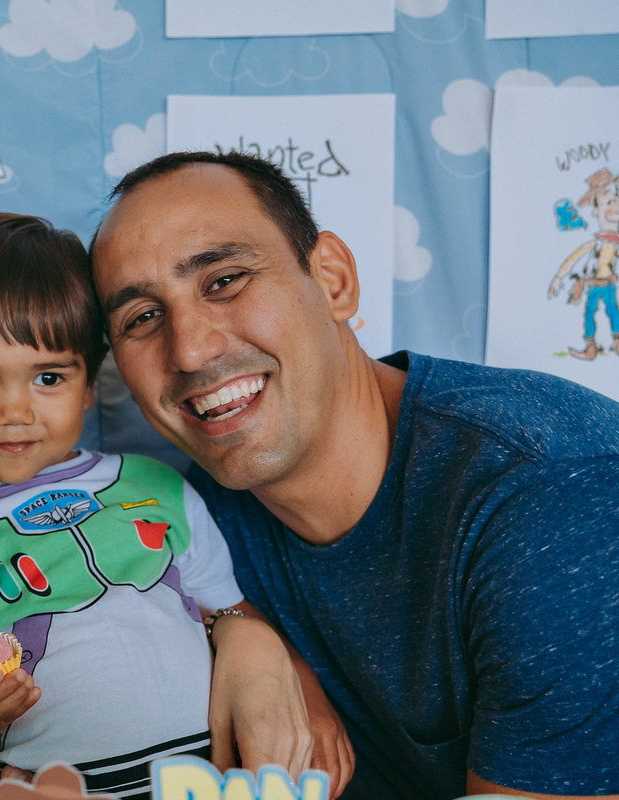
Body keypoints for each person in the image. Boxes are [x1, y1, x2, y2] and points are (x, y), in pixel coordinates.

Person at [89, 150, 619, 799]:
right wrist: (244, 629)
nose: (191, 348)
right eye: (141, 318)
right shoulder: (183, 519)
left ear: (333, 280)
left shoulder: (549, 492)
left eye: (224, 280)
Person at [0, 213, 348, 799]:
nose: (16, 411)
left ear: (88, 385)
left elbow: (232, 615)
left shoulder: (157, 487)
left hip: (207, 777)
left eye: (48, 377)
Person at [547, 167, 619, 360]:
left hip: (609, 285)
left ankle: (617, 343)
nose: (616, 208)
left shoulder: (615, 244)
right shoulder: (595, 243)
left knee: (613, 313)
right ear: (597, 210)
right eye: (610, 202)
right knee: (589, 315)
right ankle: (590, 348)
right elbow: (574, 258)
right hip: (594, 286)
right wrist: (558, 278)